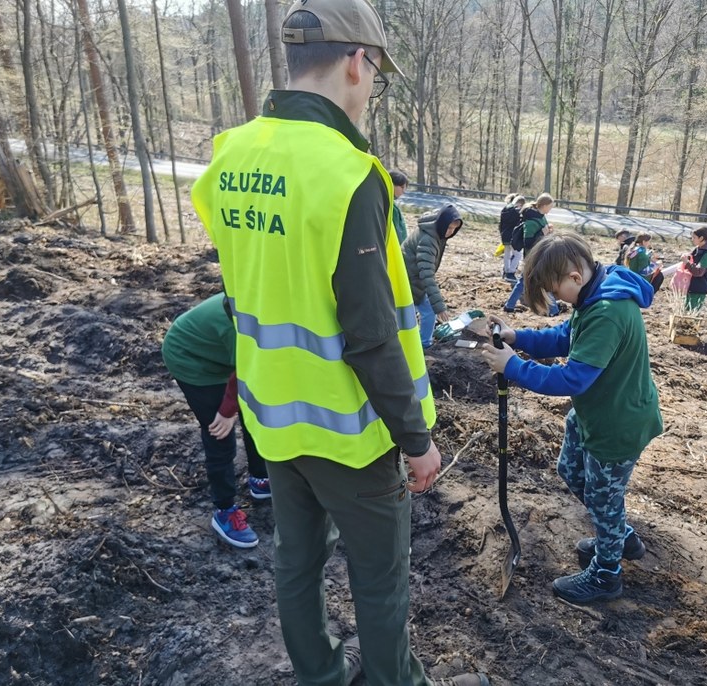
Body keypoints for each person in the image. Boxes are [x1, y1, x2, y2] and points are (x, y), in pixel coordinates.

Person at [190, 2, 488, 684]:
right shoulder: (350, 173)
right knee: (380, 581)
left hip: (274, 416)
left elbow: (250, 284)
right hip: (351, 433)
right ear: (359, 62)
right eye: (375, 75)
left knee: (295, 564)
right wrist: (415, 440)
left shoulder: (230, 153)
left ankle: (319, 677)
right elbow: (371, 335)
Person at [482, 232, 662, 604]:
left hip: (618, 424)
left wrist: (514, 367)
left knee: (604, 500)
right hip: (595, 413)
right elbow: (567, 336)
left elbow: (572, 377)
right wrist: (518, 337)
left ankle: (606, 574)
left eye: (553, 290)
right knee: (572, 472)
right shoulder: (596, 295)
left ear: (575, 278)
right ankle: (619, 534)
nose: (553, 299)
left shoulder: (608, 312)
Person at [162, 293, 270, 549]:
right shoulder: (245, 320)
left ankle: (259, 479)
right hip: (190, 357)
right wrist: (226, 410)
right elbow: (246, 370)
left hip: (222, 356)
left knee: (255, 413)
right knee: (219, 433)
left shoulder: (273, 307)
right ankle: (224, 511)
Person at [402, 203, 464, 348]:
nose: (450, 232)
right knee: (429, 311)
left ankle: (416, 340)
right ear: (442, 222)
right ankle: (423, 344)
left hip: (411, 277)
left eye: (454, 229)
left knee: (415, 311)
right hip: (410, 279)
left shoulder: (433, 229)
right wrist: (439, 306)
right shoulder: (428, 240)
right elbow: (427, 275)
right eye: (448, 227)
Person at [504, 193, 559, 316]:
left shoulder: (541, 216)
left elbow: (541, 235)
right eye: (550, 207)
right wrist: (542, 232)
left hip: (540, 254)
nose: (550, 209)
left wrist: (548, 231)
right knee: (544, 281)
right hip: (533, 256)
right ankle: (553, 310)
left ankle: (509, 305)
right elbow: (527, 242)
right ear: (543, 205)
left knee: (524, 282)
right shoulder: (530, 220)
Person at [682, 226, 707, 311]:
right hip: (693, 286)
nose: (692, 239)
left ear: (701, 238)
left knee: (692, 313)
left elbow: (699, 272)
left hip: (699, 288)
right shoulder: (698, 249)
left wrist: (686, 262)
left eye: (694, 237)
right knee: (687, 311)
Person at [498, 193, 526, 283]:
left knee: (507, 254)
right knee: (518, 254)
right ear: (520, 204)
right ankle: (511, 272)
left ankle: (506, 271)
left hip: (505, 235)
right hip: (513, 236)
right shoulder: (517, 212)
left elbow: (501, 224)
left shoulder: (505, 209)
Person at [390, 170, 409, 243]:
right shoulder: (390, 207)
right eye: (402, 187)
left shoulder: (393, 204)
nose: (404, 191)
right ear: (391, 184)